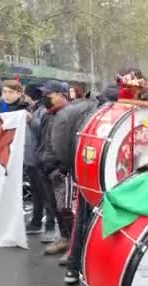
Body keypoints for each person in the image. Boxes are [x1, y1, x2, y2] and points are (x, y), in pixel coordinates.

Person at [50, 81, 98, 268]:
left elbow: (58, 142)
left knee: (74, 210)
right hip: (82, 167)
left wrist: (65, 165)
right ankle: (78, 253)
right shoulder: (95, 109)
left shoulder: (67, 112)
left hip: (74, 167)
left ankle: (74, 254)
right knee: (78, 211)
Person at [38, 81, 75, 255]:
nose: (45, 99)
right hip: (46, 167)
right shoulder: (46, 115)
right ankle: (64, 238)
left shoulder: (70, 115)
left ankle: (74, 243)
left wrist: (62, 166)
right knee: (54, 207)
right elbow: (42, 141)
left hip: (62, 171)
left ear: (62, 95)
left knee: (66, 208)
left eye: (49, 95)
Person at [23, 83, 56, 235]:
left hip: (39, 158)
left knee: (44, 194)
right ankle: (37, 221)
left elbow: (41, 132)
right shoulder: (36, 109)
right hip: (33, 156)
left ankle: (46, 225)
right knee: (37, 192)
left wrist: (30, 120)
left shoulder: (43, 112)